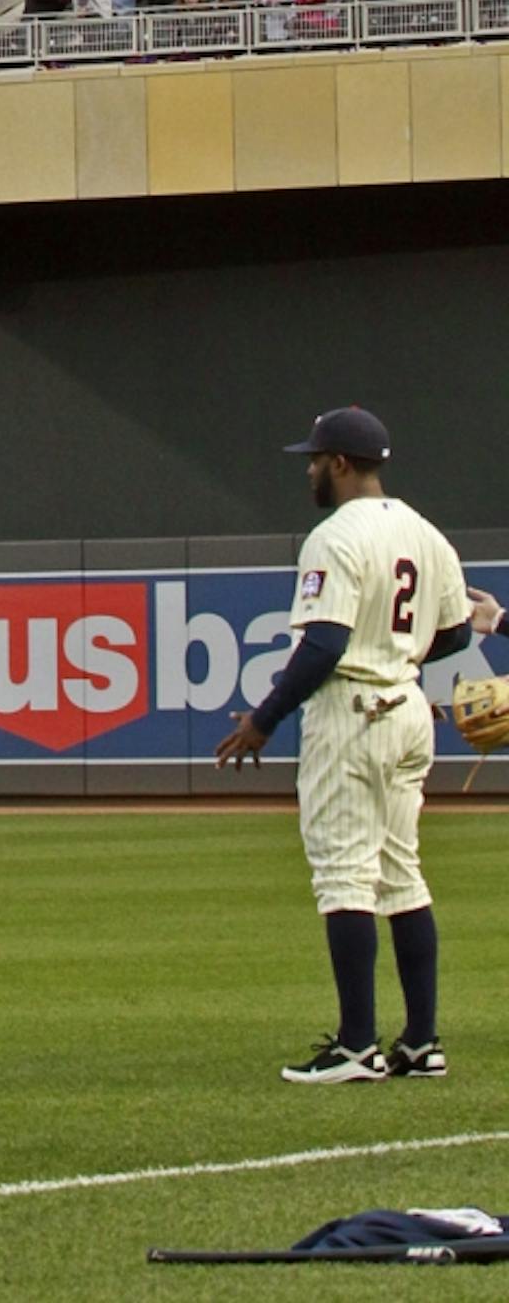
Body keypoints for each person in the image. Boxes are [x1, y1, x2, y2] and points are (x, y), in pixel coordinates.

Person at [214, 406, 471, 1086]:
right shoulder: (424, 531)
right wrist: (399, 652)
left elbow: (323, 644)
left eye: (315, 458)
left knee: (344, 877)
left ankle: (357, 1045)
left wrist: (263, 719)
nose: (309, 470)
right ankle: (420, 1043)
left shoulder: (334, 536)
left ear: (341, 464)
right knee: (401, 874)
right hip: (408, 709)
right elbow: (457, 634)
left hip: (352, 710)